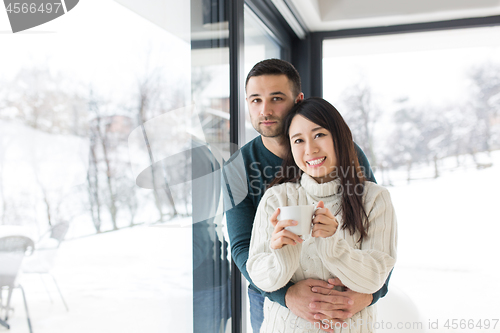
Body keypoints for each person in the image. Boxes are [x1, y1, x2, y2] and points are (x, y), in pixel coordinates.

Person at [222, 59, 392, 333]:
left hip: (344, 290)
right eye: (255, 100)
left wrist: (371, 293)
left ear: (298, 100)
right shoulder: (238, 169)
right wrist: (286, 297)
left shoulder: (343, 152)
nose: (264, 110)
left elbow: (378, 234)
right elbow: (243, 247)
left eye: (276, 98)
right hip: (273, 294)